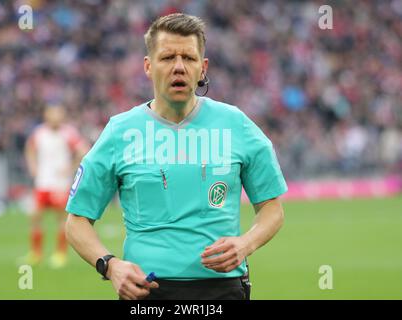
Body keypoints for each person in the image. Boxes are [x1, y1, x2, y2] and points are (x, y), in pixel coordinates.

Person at [65, 13, 287, 300]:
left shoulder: (236, 124)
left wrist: (246, 243)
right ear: (148, 66)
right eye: (168, 57)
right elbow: (77, 220)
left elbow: (272, 208)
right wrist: (110, 266)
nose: (179, 67)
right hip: (147, 292)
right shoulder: (120, 132)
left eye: (189, 58)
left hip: (222, 291)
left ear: (202, 67)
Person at [22, 105, 88, 268]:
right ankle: (36, 253)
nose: (55, 117)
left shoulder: (68, 133)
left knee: (62, 219)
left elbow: (84, 150)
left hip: (60, 183)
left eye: (58, 114)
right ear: (46, 115)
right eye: (52, 114)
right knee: (35, 216)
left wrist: (72, 167)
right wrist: (32, 166)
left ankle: (60, 253)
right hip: (43, 182)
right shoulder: (40, 132)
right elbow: (29, 149)